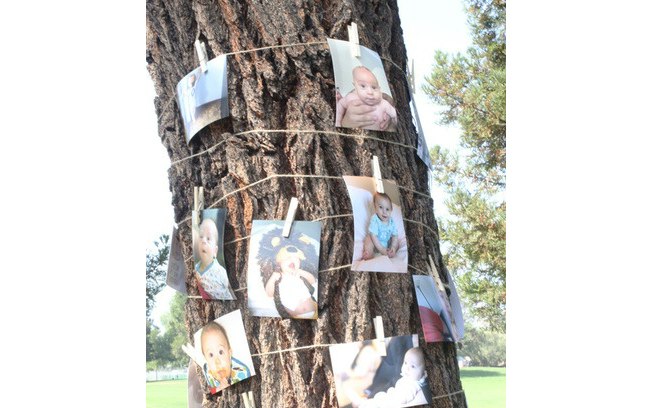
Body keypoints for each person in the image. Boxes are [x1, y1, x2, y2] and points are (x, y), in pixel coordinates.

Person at [357, 347, 428, 408]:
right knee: (377, 397)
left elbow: (403, 398)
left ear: (424, 373)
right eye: (405, 363)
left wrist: (391, 395)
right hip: (390, 396)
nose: (407, 368)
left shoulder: (413, 385)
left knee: (376, 401)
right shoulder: (409, 377)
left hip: (393, 402)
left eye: (413, 366)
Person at [264, 243, 318, 319]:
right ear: (279, 263)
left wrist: (302, 272)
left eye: (296, 258)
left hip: (314, 311)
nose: (292, 260)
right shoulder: (278, 277)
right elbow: (269, 294)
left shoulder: (299, 274)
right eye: (287, 258)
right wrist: (272, 279)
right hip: (296, 317)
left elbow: (313, 281)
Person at [336, 66, 397, 131]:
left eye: (374, 87)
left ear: (379, 89)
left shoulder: (383, 103)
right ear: (355, 86)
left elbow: (395, 117)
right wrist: (338, 122)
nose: (370, 92)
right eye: (363, 86)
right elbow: (340, 105)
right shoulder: (351, 98)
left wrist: (391, 121)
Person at [200, 321, 251, 393]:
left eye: (220, 352)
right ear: (206, 359)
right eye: (211, 355)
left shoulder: (242, 372)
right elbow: (209, 391)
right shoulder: (208, 372)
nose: (217, 362)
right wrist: (217, 389)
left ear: (229, 353)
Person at [194, 217, 235, 300]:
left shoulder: (220, 271)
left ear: (215, 251)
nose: (204, 241)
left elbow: (230, 288)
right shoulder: (196, 268)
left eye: (208, 239)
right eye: (201, 237)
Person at [362, 192, 399, 260]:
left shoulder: (391, 222)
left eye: (387, 209)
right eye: (381, 207)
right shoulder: (375, 219)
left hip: (386, 244)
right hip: (375, 244)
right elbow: (373, 235)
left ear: (391, 211)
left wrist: (393, 247)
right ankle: (368, 252)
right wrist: (381, 249)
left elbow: (395, 235)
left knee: (396, 240)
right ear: (375, 208)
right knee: (368, 238)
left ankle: (391, 252)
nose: (384, 212)